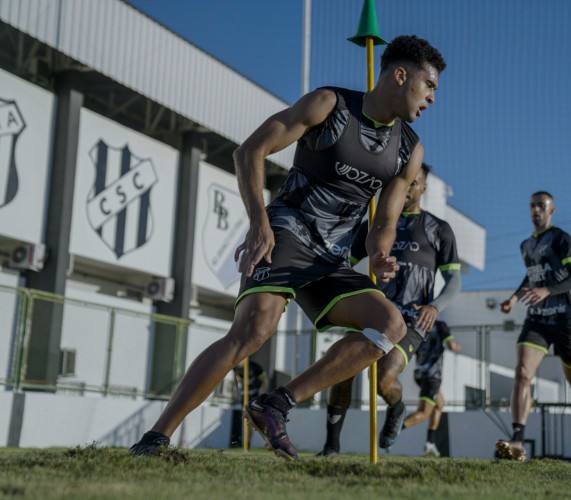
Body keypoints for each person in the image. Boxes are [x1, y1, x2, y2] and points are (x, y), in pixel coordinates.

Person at [129, 35, 446, 461]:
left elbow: (385, 222)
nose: (431, 97)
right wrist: (259, 223)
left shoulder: (409, 148)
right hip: (286, 234)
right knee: (252, 333)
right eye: (430, 86)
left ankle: (275, 404)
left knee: (390, 326)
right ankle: (155, 438)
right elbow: (250, 152)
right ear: (401, 74)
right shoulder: (328, 105)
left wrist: (379, 252)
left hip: (331, 259)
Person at [318, 163, 462, 456]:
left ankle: (396, 408)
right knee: (342, 369)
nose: (407, 188)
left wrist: (435, 305)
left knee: (383, 378)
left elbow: (455, 279)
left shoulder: (439, 230)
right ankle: (331, 447)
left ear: (424, 187)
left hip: (413, 319)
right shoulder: (376, 224)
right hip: (373, 311)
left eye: (413, 183)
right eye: (403, 182)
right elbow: (343, 260)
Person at [495, 191, 571, 462]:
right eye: (532, 206)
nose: (535, 210)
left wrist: (548, 290)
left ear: (552, 210)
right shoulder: (525, 245)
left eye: (541, 205)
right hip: (537, 319)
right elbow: (530, 277)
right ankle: (517, 441)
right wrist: (514, 298)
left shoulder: (561, 239)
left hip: (565, 321)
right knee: (522, 373)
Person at [401, 320, 461, 457]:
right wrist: (456, 346)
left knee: (440, 404)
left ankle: (430, 442)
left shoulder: (417, 324)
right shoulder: (440, 325)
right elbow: (451, 345)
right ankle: (393, 430)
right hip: (433, 376)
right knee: (423, 413)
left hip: (419, 373)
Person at [229, 358, 268, 447]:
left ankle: (249, 443)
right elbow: (236, 381)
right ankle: (246, 444)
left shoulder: (255, 367)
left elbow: (265, 380)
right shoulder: (235, 368)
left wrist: (262, 395)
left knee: (254, 422)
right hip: (244, 399)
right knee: (248, 421)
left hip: (255, 398)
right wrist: (237, 394)